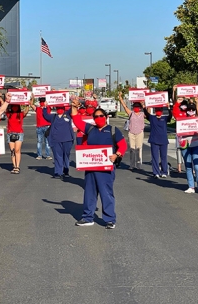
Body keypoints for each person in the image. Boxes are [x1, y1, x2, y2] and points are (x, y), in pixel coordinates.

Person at [71, 100, 127, 229]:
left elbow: (123, 145)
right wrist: (73, 106)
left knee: (106, 193)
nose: (98, 118)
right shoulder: (90, 129)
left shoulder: (113, 130)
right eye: (96, 117)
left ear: (106, 117)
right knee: (89, 193)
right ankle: (87, 217)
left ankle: (110, 219)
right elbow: (76, 120)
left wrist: (117, 155)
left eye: (101, 116)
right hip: (91, 168)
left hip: (106, 168)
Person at [177, 100, 198, 195]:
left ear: (195, 111)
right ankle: (191, 186)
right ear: (186, 110)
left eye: (193, 110)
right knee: (188, 166)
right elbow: (178, 133)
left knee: (196, 166)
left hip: (197, 145)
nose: (191, 111)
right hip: (186, 146)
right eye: (189, 110)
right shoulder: (182, 120)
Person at [43, 104, 74, 179]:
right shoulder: (53, 117)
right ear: (56, 109)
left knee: (66, 155)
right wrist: (45, 107)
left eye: (61, 108)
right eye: (58, 108)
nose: (60, 109)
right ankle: (58, 172)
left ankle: (66, 171)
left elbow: (73, 109)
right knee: (57, 156)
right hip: (56, 140)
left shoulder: (68, 115)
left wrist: (73, 104)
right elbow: (45, 115)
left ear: (64, 108)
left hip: (67, 140)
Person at [143, 104, 172, 178]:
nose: (158, 112)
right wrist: (144, 107)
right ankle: (156, 172)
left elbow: (170, 116)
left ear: (162, 111)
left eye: (159, 110)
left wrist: (168, 108)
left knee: (163, 157)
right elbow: (146, 113)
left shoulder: (165, 118)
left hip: (163, 141)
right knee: (155, 157)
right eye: (157, 110)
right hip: (154, 140)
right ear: (155, 111)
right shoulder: (152, 118)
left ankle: (164, 171)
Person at [118, 92, 144, 170]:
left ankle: (138, 164)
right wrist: (120, 98)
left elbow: (148, 110)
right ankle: (132, 165)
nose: (136, 108)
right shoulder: (131, 113)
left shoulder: (143, 114)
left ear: (140, 107)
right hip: (131, 133)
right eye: (135, 106)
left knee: (139, 148)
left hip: (139, 132)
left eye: (137, 106)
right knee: (132, 149)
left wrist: (145, 101)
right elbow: (125, 106)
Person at [6, 103, 30, 174]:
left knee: (17, 150)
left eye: (16, 106)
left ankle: (17, 166)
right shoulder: (9, 114)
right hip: (10, 133)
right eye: (13, 106)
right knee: (12, 151)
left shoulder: (21, 114)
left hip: (19, 133)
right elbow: (4, 108)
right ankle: (14, 166)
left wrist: (27, 104)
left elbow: (26, 111)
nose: (14, 108)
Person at [30, 96, 52, 160]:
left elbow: (53, 103)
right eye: (41, 102)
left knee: (47, 142)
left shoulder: (48, 108)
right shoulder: (37, 108)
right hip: (39, 127)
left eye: (43, 101)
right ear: (39, 102)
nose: (42, 103)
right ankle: (39, 155)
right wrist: (32, 98)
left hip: (47, 127)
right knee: (39, 141)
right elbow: (31, 104)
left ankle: (48, 155)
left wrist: (49, 99)